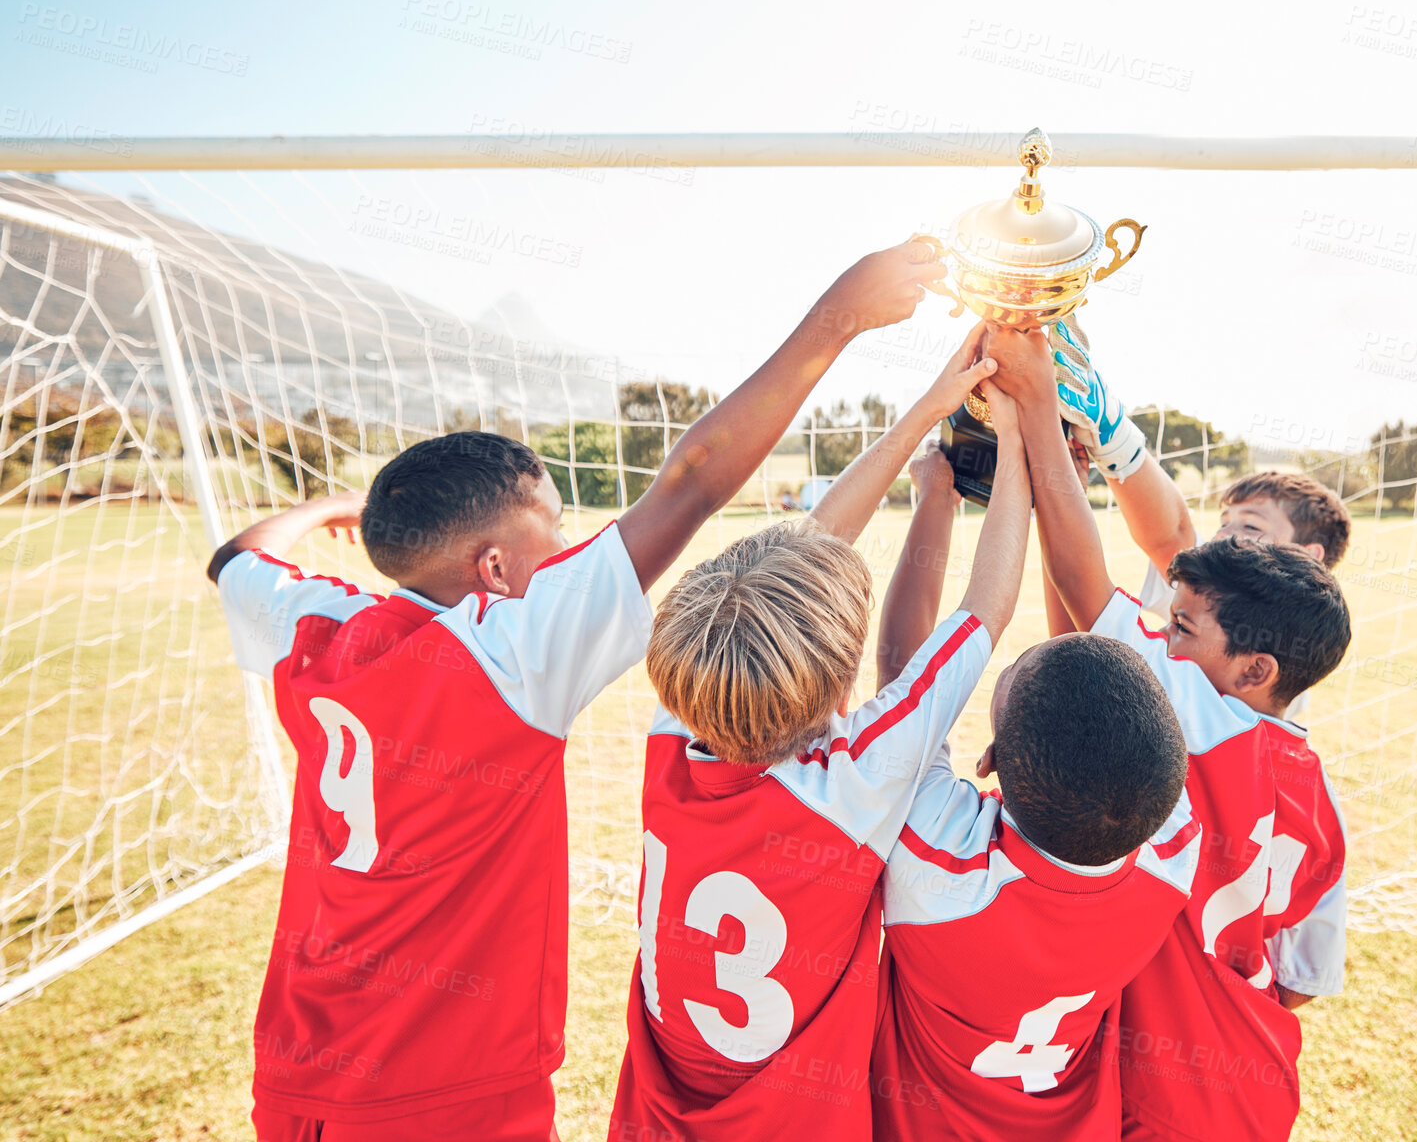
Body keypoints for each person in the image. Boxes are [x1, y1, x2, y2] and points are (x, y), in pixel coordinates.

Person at [211, 240, 948, 1142]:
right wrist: (839, 317)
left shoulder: (315, 627)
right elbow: (691, 481)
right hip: (444, 1095)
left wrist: (328, 515)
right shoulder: (507, 653)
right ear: (491, 567)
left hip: (297, 1074)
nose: (566, 554)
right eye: (551, 535)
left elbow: (237, 557)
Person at [608, 332, 1031, 1141]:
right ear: (841, 686)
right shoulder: (858, 777)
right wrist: (1016, 440)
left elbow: (811, 547)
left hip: (661, 1116)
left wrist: (926, 422)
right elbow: (986, 609)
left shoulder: (680, 725)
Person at [987, 325, 1352, 1142]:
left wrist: (1043, 413)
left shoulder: (1203, 712)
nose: (1168, 642)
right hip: (1248, 1080)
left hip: (1155, 1083)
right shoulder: (1316, 794)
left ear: (1253, 669)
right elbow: (1300, 980)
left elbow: (1088, 589)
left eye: (1179, 631)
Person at [866, 429, 1196, 1142]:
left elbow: (904, 683)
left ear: (985, 762)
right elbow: (1084, 652)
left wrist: (935, 500)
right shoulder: (1172, 845)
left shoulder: (938, 869)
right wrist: (1058, 490)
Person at [1043, 320, 1351, 721]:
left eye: (1251, 527)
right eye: (1225, 522)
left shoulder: (1252, 669)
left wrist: (1105, 430)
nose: (1225, 535)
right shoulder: (1207, 627)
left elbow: (1171, 538)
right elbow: (1074, 640)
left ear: (1308, 556)